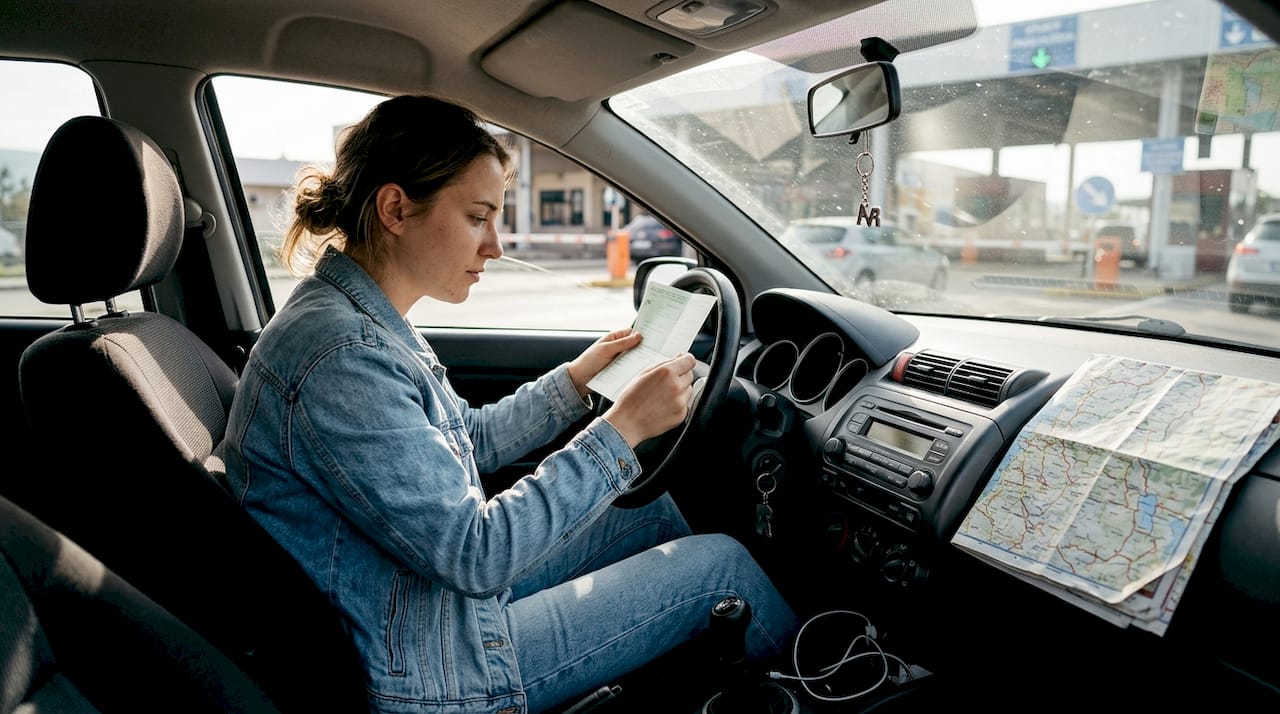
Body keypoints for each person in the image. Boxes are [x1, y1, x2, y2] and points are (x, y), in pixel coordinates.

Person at [222, 94, 796, 714]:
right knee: (721, 568)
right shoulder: (344, 356)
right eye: (477, 217)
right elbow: (476, 554)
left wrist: (574, 382)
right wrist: (622, 430)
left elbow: (463, 441)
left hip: (425, 606)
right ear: (395, 209)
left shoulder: (361, 318)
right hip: (430, 664)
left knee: (649, 513)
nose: (495, 246)